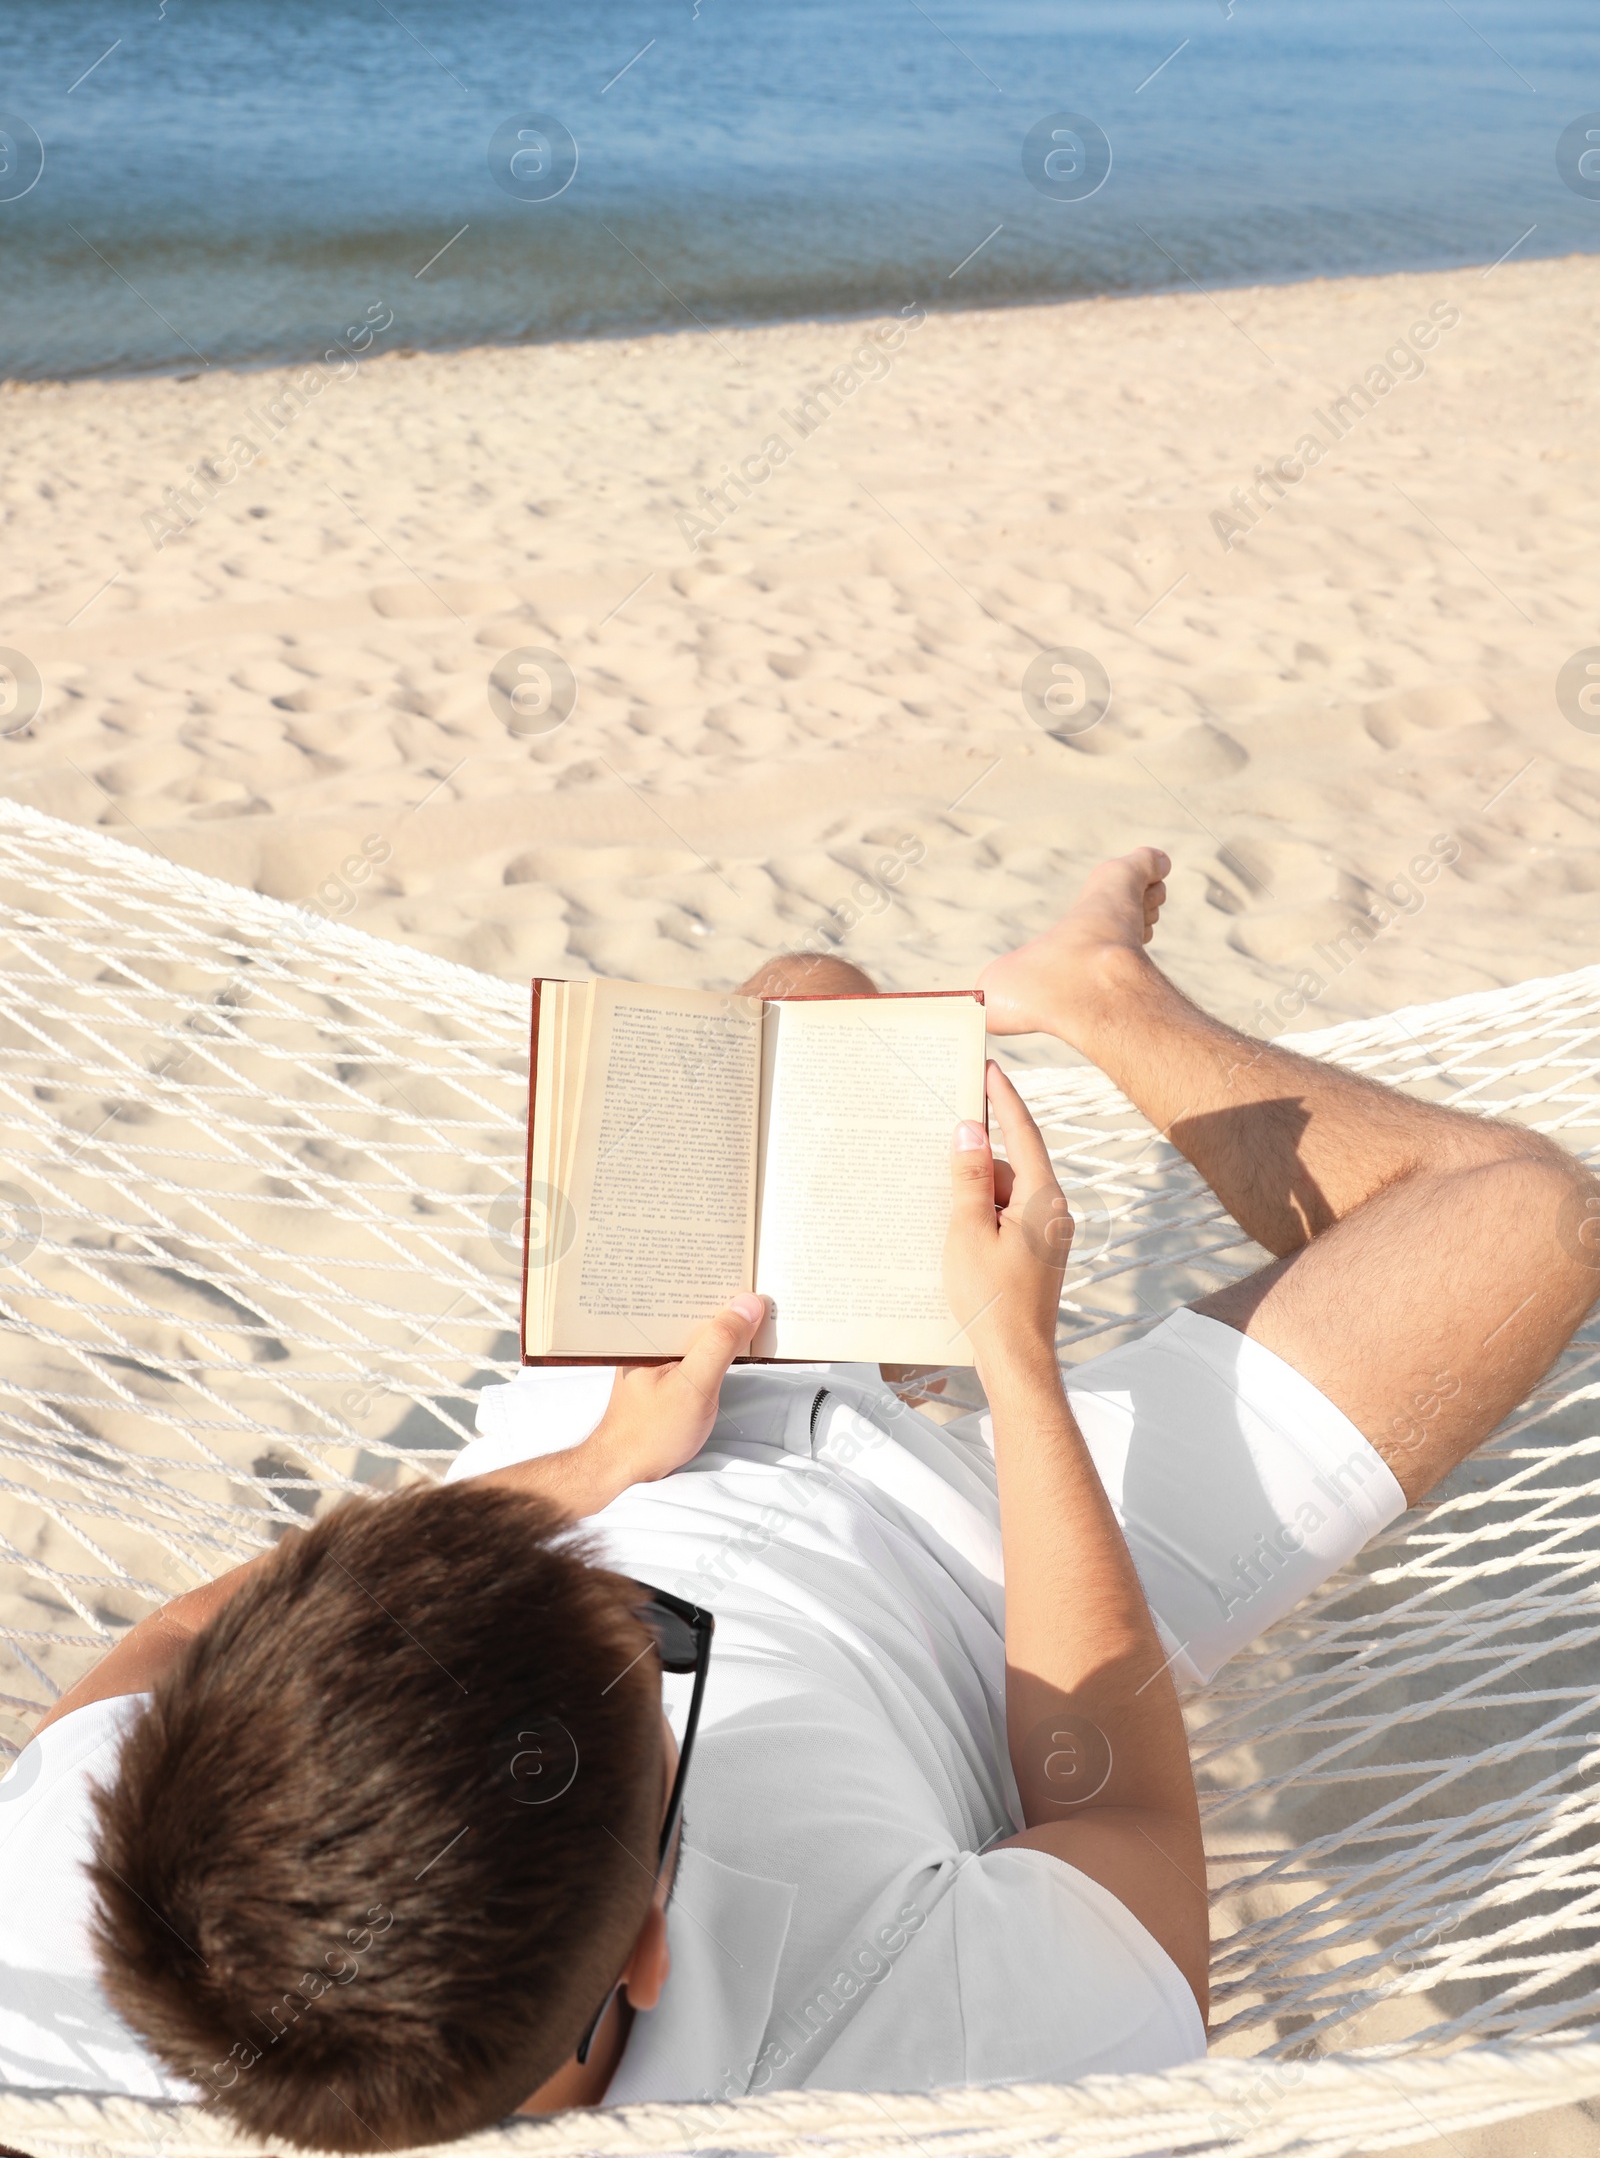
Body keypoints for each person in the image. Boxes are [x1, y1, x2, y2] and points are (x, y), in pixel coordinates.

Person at [1, 849, 1593, 2152]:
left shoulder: (86, 1963)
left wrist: (585, 1480)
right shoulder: (909, 2051)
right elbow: (1120, 1814)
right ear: (647, 1940)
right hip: (981, 1591)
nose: (636, 1602)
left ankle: (918, 1204)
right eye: (646, 1658)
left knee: (806, 1015)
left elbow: (172, 1638)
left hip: (613, 1434)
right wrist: (1014, 1361)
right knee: (1517, 1218)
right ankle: (1103, 1001)